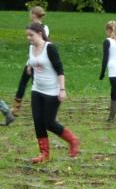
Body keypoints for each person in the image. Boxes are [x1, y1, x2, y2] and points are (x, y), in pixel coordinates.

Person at [25, 23, 79, 163]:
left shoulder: (50, 48)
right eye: (27, 35)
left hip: (52, 91)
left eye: (31, 35)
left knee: (49, 122)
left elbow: (60, 70)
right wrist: (30, 66)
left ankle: (73, 140)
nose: (28, 38)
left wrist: (62, 90)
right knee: (38, 121)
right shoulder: (31, 48)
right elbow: (32, 60)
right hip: (37, 89)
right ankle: (44, 154)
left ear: (40, 34)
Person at [11, 6, 50, 118]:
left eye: (30, 14)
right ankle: (16, 108)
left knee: (35, 84)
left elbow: (42, 44)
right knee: (25, 82)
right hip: (32, 59)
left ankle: (39, 109)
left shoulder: (43, 28)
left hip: (39, 60)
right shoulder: (37, 27)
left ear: (33, 15)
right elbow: (31, 46)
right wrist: (29, 62)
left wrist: (31, 64)